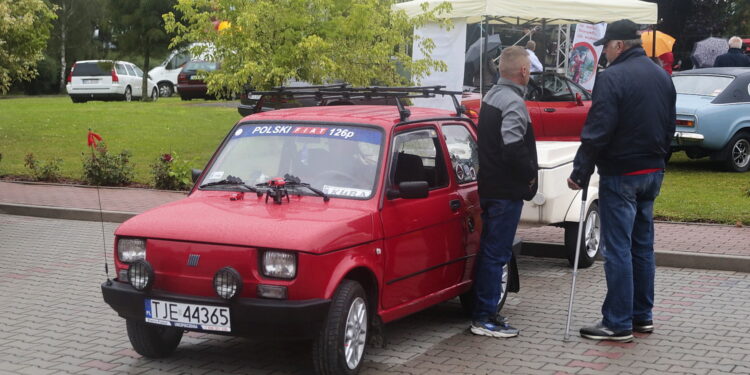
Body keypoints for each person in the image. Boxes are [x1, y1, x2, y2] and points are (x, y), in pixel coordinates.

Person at [567, 19, 676, 342]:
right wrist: (659, 159)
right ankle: (642, 316)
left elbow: (599, 128)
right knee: (642, 245)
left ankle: (617, 322)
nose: (604, 55)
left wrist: (580, 170)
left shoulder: (612, 78)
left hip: (622, 173)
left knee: (618, 249)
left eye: (606, 48)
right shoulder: (661, 75)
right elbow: (670, 124)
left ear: (618, 45)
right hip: (652, 170)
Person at [472, 46, 539, 338]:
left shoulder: (491, 96)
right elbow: (512, 146)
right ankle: (484, 317)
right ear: (523, 71)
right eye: (529, 68)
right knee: (496, 253)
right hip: (505, 190)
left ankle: (483, 311)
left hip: (489, 185)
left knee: (490, 250)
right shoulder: (513, 102)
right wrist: (528, 176)